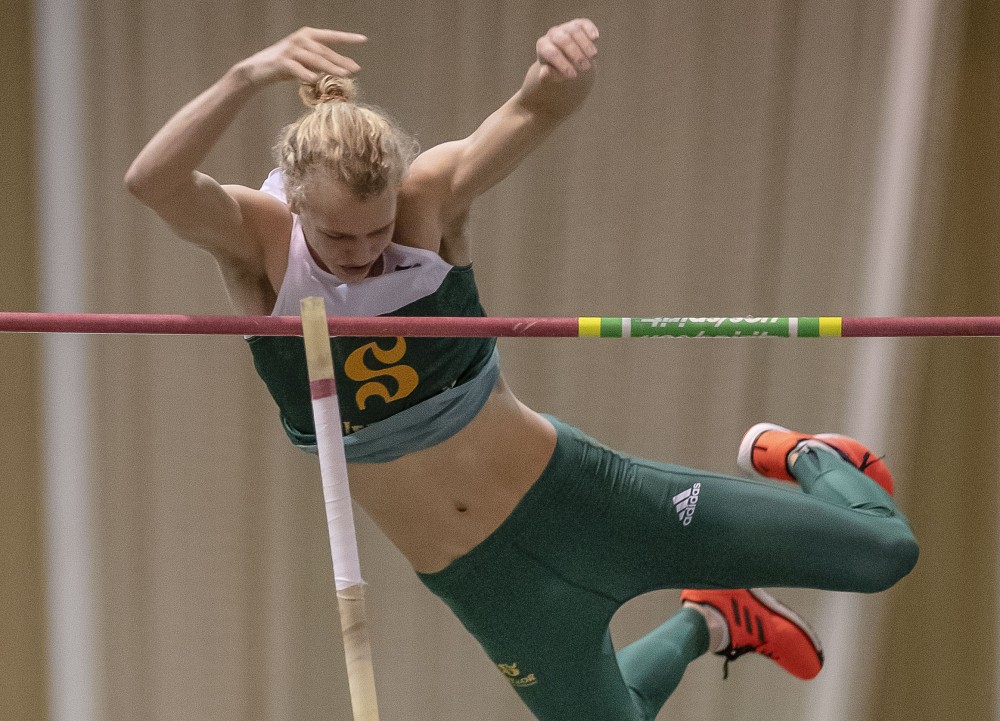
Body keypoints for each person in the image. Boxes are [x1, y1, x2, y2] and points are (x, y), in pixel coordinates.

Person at [125, 19, 919, 721]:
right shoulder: (260, 244)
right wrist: (245, 75)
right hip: (490, 584)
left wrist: (560, 73)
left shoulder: (428, 203)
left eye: (377, 231)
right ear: (296, 207)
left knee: (884, 553)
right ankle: (712, 617)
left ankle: (808, 456)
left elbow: (536, 111)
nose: (366, 254)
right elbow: (151, 182)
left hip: (584, 500)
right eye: (339, 239)